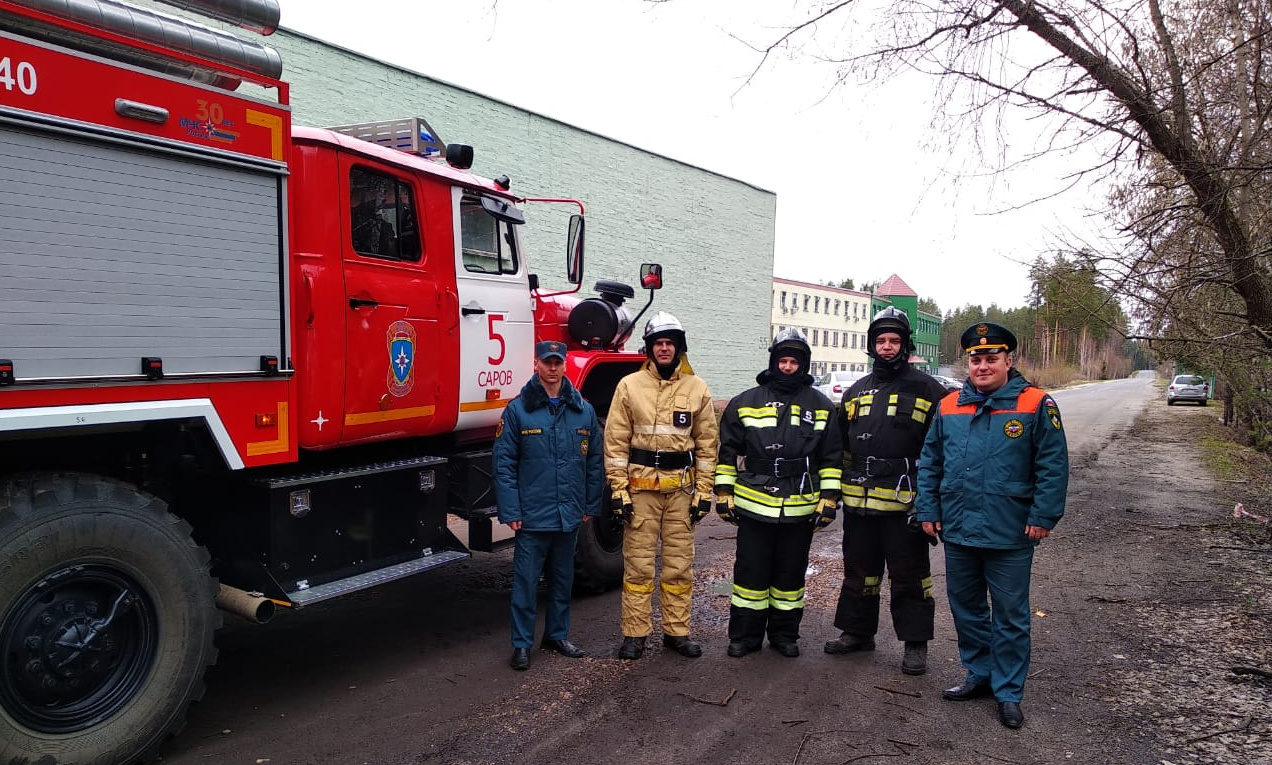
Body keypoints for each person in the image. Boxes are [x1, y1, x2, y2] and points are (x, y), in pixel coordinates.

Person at [915, 321, 1069, 730]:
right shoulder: (949, 405)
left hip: (1011, 530)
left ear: (1008, 361)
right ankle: (979, 674)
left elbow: (1052, 466)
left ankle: (1008, 692)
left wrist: (1042, 516)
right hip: (960, 527)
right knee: (966, 608)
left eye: (990, 359)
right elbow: (930, 461)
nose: (982, 366)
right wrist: (928, 509)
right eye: (975, 359)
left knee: (1010, 614)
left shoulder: (1036, 403)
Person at [825, 307, 950, 676]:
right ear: (871, 345)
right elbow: (842, 447)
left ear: (905, 344)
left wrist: (929, 503)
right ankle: (857, 632)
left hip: (905, 504)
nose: (887, 346)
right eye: (880, 340)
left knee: (910, 575)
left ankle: (915, 644)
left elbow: (941, 452)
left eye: (894, 340)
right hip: (860, 503)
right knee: (858, 571)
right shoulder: (856, 391)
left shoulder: (930, 390)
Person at [715, 329, 842, 658]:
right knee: (750, 573)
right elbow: (727, 452)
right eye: (782, 360)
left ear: (804, 365)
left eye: (793, 361)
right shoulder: (745, 402)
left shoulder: (823, 406)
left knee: (790, 573)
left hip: (799, 505)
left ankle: (785, 636)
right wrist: (724, 492)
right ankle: (744, 636)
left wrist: (829, 499)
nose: (787, 367)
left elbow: (831, 457)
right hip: (754, 503)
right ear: (773, 362)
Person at [604, 311, 719, 660]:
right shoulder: (628, 386)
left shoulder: (697, 388)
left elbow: (708, 445)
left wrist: (704, 492)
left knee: (678, 567)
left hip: (681, 494)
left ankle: (677, 632)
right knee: (638, 566)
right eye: (658, 343)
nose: (664, 349)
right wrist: (619, 492)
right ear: (649, 349)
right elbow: (615, 444)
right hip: (640, 493)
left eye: (670, 343)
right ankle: (635, 634)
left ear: (679, 348)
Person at [493, 340, 603, 671]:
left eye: (557, 362)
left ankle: (556, 635)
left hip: (568, 513)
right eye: (546, 362)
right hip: (532, 516)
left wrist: (590, 504)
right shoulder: (518, 411)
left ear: (565, 364)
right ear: (536, 364)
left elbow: (595, 462)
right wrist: (511, 511)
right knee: (526, 582)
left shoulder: (582, 410)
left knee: (562, 579)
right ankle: (522, 644)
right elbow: (503, 464)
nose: (552, 367)